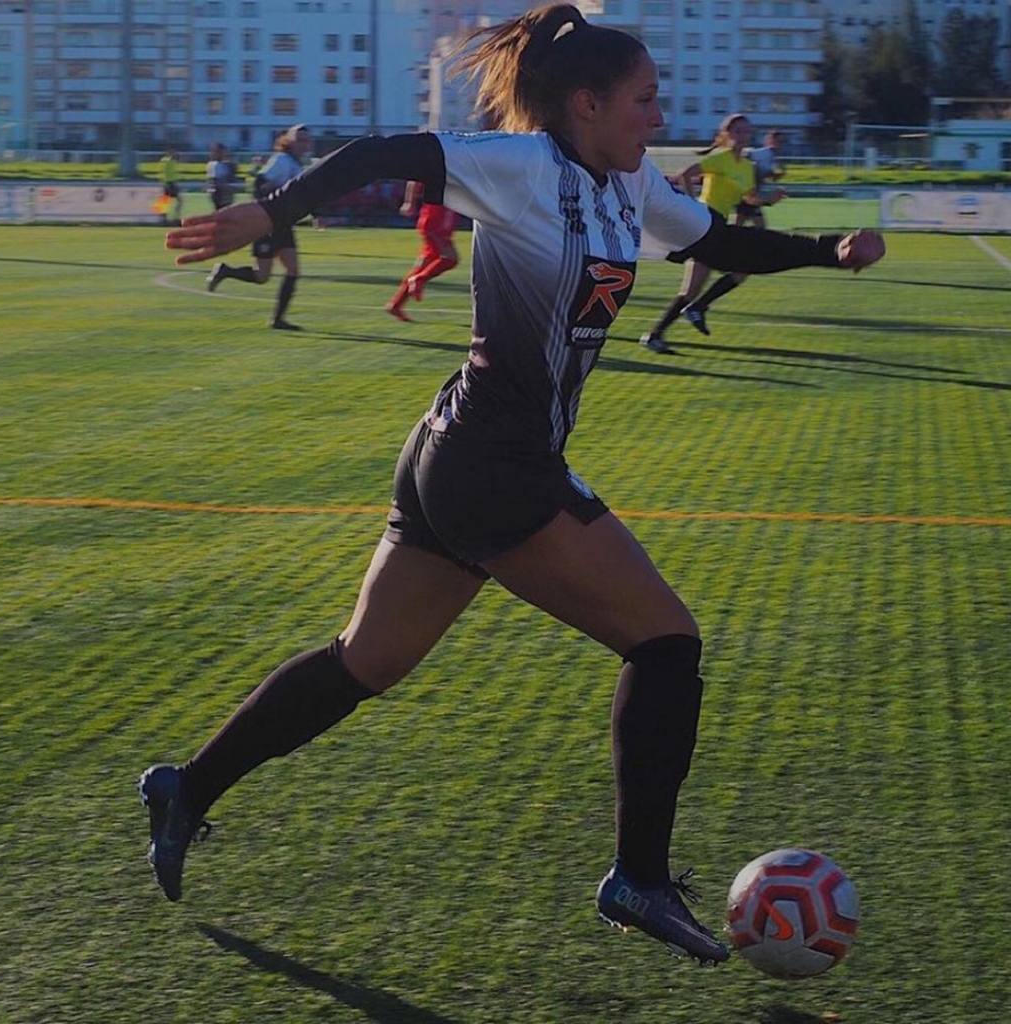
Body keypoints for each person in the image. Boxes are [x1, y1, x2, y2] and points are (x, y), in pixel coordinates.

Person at [147, 3, 884, 966]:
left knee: (364, 662)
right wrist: (272, 211)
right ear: (586, 103)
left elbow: (716, 241)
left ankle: (187, 788)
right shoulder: (521, 166)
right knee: (665, 642)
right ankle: (639, 878)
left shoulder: (630, 185)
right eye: (645, 99)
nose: (659, 117)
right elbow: (385, 151)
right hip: (493, 463)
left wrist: (826, 250)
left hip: (462, 452)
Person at [639, 113, 785, 352]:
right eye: (738, 131)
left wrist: (770, 199)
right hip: (706, 222)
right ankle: (696, 309)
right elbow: (685, 174)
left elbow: (750, 198)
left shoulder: (747, 167)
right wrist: (692, 206)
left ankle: (656, 335)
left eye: (746, 131)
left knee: (693, 289)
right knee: (745, 266)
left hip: (717, 227)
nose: (743, 135)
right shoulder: (721, 159)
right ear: (727, 135)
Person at [205, 125, 313, 331]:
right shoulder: (281, 160)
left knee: (293, 270)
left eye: (306, 140)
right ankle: (225, 271)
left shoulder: (297, 164)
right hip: (267, 224)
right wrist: (267, 210)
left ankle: (278, 320)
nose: (303, 143)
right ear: (289, 141)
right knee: (262, 276)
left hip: (283, 224)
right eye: (299, 139)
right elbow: (259, 183)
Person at [386, 179, 461, 322]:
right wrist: (409, 203)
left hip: (440, 221)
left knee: (425, 264)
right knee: (451, 258)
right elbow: (416, 180)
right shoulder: (447, 168)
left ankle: (395, 305)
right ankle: (419, 279)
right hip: (436, 223)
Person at [735, 128, 787, 230]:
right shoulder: (763, 153)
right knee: (760, 226)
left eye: (782, 142)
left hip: (752, 194)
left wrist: (779, 174)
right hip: (747, 193)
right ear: (769, 141)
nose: (780, 144)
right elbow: (745, 157)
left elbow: (769, 177)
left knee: (740, 223)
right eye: (777, 141)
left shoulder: (773, 158)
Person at [206, 142, 236, 212]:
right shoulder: (213, 164)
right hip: (218, 192)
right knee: (221, 211)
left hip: (225, 192)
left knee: (227, 211)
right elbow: (213, 179)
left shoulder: (226, 164)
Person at [158, 149, 183, 224]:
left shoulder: (170, 161)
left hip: (170, 183)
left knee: (165, 201)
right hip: (169, 183)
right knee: (175, 201)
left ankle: (165, 217)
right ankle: (172, 217)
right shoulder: (167, 161)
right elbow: (164, 172)